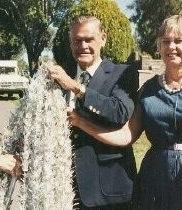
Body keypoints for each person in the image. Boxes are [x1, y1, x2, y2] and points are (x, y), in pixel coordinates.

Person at [68, 14, 182, 210]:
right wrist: (80, 122)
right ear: (159, 46)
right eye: (166, 41)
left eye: (178, 41)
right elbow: (126, 135)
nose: (171, 47)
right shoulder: (148, 89)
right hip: (155, 175)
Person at [48, 15, 138, 209]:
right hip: (65, 190)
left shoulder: (122, 73)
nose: (83, 46)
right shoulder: (59, 77)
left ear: (103, 38)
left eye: (89, 39)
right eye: (76, 40)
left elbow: (120, 112)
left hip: (108, 192)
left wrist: (77, 88)